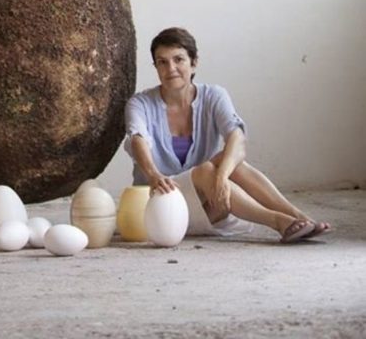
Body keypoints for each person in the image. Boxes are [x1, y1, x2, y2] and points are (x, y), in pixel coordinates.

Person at [125, 26, 330, 243]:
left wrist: (222, 176)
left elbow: (237, 138)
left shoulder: (214, 95)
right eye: (162, 62)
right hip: (159, 208)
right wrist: (154, 175)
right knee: (205, 170)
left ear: (194, 63)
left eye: (179, 60)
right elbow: (137, 138)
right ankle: (279, 222)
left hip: (209, 204)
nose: (171, 68)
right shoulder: (140, 103)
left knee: (232, 164)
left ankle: (297, 216)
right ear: (156, 67)